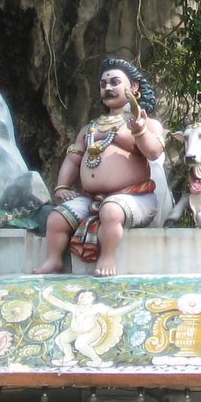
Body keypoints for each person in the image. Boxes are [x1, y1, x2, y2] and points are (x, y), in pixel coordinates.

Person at [35, 58, 172, 276]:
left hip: (133, 197)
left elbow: (154, 152)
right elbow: (73, 159)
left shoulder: (146, 123)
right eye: (103, 84)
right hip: (91, 197)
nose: (108, 87)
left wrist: (139, 131)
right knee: (57, 218)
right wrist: (62, 186)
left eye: (115, 82)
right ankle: (54, 260)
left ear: (133, 87)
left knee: (111, 211)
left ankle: (107, 257)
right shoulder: (90, 127)